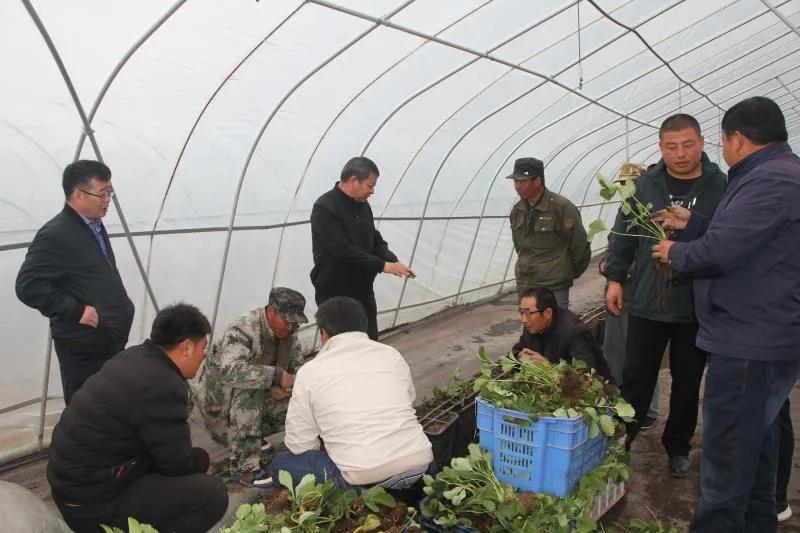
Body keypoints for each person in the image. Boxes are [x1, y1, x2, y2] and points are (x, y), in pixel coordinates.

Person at [651, 96, 800, 532]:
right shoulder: (776, 174)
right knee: (756, 443)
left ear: (736, 138)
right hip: (764, 334)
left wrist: (676, 252)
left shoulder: (771, 180)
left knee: (727, 457)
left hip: (750, 339)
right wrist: (694, 224)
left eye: (721, 141)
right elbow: (750, 241)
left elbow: (721, 251)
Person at [605, 114, 727, 478]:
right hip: (646, 300)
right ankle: (623, 441)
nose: (681, 154)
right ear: (661, 148)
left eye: (688, 145)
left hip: (693, 303)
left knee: (688, 383)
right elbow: (623, 233)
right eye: (672, 147)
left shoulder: (719, 186)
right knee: (637, 376)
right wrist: (615, 278)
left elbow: (725, 239)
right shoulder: (645, 184)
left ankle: (677, 446)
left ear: (702, 143)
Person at [47, 303, 228, 533]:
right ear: (186, 348)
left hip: (71, 489)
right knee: (212, 494)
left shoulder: (134, 357)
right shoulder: (163, 384)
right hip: (94, 506)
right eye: (203, 348)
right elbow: (177, 464)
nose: (204, 355)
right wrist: (201, 460)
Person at [270, 296, 433, 490]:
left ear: (324, 334)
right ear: (363, 327)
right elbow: (408, 401)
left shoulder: (311, 372)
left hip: (365, 479)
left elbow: (300, 445)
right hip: (422, 466)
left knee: (280, 464)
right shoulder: (391, 354)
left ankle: (357, 501)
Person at [16, 160, 134, 404]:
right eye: (102, 193)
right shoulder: (56, 234)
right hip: (84, 347)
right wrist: (76, 310)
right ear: (78, 195)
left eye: (109, 192)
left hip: (107, 340)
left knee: (110, 408)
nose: (107, 199)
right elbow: (28, 286)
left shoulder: (93, 226)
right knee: (88, 410)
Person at [194, 287, 309, 485]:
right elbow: (231, 371)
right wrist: (275, 375)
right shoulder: (244, 328)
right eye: (287, 321)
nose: (291, 328)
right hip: (221, 412)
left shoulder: (290, 336)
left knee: (303, 400)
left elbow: (300, 372)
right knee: (250, 388)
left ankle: (253, 439)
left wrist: (288, 387)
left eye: (295, 324)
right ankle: (244, 466)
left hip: (249, 411)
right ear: (271, 311)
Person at [310, 156, 415, 341]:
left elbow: (374, 239)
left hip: (362, 291)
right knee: (341, 345)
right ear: (353, 180)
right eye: (370, 185)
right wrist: (383, 266)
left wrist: (392, 260)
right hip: (336, 295)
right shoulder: (325, 207)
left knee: (369, 341)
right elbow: (342, 251)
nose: (372, 191)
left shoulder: (363, 206)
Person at [599, 164, 660, 430]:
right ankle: (621, 404)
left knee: (643, 357)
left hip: (639, 298)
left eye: (629, 184)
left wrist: (620, 271)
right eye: (622, 184)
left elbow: (649, 258)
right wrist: (608, 264)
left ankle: (648, 410)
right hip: (618, 298)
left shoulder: (654, 216)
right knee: (616, 353)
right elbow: (617, 249)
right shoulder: (624, 213)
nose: (625, 189)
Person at [508, 157, 591, 309]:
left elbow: (579, 244)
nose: (517, 187)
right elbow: (519, 246)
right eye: (515, 182)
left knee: (557, 328)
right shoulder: (517, 211)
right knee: (530, 328)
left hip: (553, 285)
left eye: (522, 182)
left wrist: (566, 274)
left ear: (537, 181)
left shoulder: (561, 207)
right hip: (526, 283)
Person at [512, 287, 614, 382]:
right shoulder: (531, 326)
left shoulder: (574, 332)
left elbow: (586, 375)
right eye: (521, 312)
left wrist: (549, 368)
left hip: (597, 391)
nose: (524, 320)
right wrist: (519, 356)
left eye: (529, 313)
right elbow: (517, 350)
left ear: (547, 313)